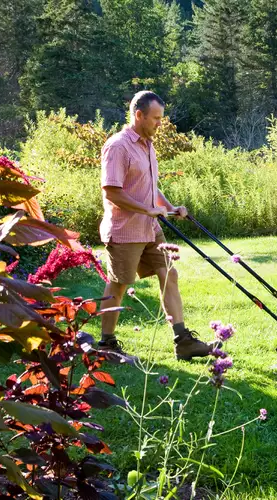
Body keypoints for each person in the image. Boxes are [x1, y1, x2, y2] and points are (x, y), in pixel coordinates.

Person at [97, 91, 220, 360]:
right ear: (138, 115)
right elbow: (112, 191)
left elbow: (150, 188)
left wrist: (170, 207)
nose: (159, 124)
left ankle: (182, 340)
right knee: (119, 284)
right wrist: (147, 209)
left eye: (161, 119)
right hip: (125, 230)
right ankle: (105, 344)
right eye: (156, 118)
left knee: (169, 274)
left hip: (150, 228)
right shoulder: (118, 146)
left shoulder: (147, 145)